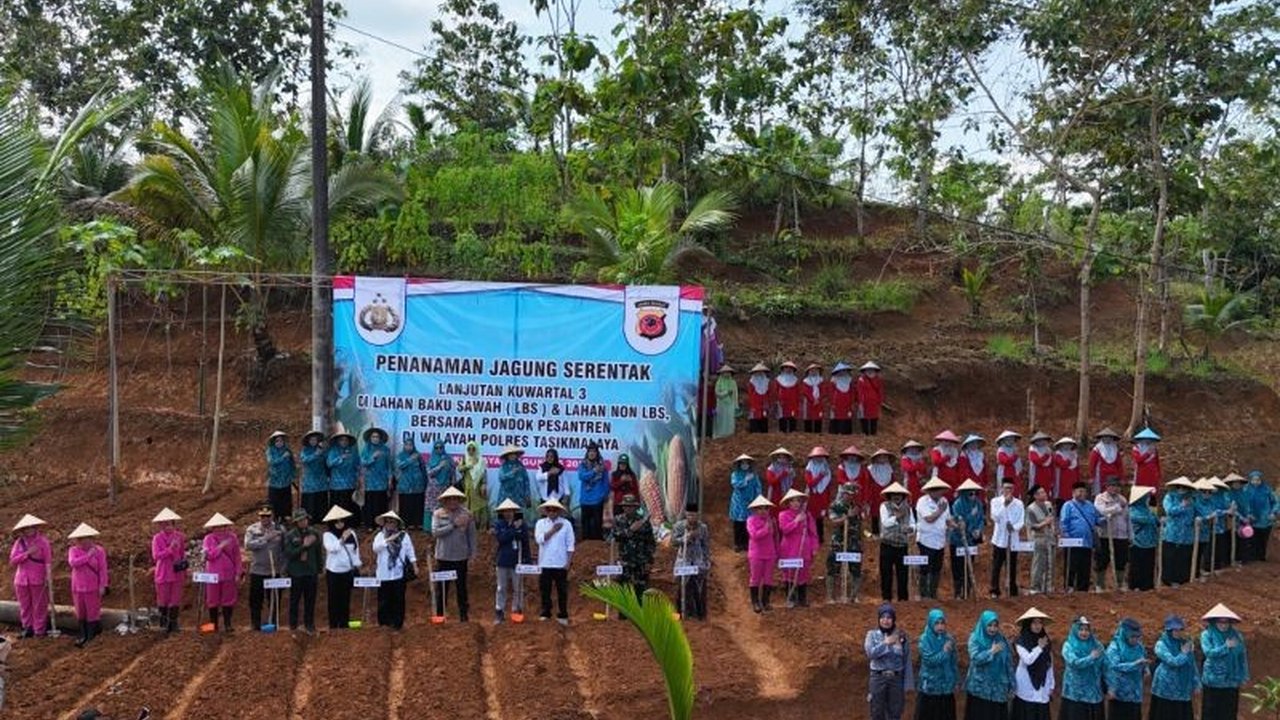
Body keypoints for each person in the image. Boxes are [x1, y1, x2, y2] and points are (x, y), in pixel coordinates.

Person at [432, 485, 476, 621]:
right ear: (445, 500)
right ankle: (440, 615)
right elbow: (435, 532)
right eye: (449, 499)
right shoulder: (438, 514)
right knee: (442, 588)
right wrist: (453, 525)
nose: (452, 502)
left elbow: (472, 536)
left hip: (461, 557)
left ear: (459, 500)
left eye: (455, 499)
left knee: (461, 587)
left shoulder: (467, 514)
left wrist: (473, 554)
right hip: (443, 556)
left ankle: (463, 615)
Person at [1199, 603, 1249, 720]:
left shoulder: (1236, 636)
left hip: (1232, 680)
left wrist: (1244, 676)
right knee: (1211, 711)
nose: (1223, 625)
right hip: (1213, 680)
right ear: (1214, 622)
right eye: (1220, 622)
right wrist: (1225, 647)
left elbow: (1242, 657)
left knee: (1229, 711)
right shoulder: (1207, 635)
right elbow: (1208, 653)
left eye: (1226, 622)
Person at [863, 603, 912, 720]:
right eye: (883, 617)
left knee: (895, 712)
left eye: (889, 617)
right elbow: (871, 653)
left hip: (896, 679)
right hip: (878, 678)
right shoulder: (872, 635)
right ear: (879, 619)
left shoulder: (901, 636)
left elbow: (906, 659)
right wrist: (885, 643)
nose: (886, 620)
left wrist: (908, 683)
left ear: (893, 619)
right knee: (877, 712)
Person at [964, 610, 1014, 720]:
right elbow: (975, 658)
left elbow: (1008, 663)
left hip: (999, 690)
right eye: (989, 625)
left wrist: (1012, 684)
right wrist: (991, 652)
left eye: (995, 626)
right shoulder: (975, 638)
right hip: (980, 690)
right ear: (983, 624)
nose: (993, 629)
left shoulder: (1001, 639)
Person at [372, 511, 417, 630]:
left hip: (398, 572)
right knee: (384, 600)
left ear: (397, 523)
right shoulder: (380, 536)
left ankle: (397, 623)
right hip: (383, 573)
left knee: (398, 599)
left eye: (392, 522)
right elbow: (375, 548)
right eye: (387, 522)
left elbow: (410, 551)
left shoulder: (404, 536)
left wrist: (415, 565)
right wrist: (388, 540)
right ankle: (384, 623)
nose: (390, 524)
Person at [8, 514, 51, 638]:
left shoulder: (43, 542)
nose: (29, 530)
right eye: (26, 528)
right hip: (21, 579)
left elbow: (48, 561)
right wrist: (27, 553)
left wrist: (48, 576)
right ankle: (27, 628)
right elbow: (13, 561)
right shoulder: (19, 543)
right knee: (25, 605)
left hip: (38, 578)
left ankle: (39, 630)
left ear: (35, 528)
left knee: (39, 605)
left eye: (31, 527)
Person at [244, 506, 286, 631]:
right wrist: (265, 539)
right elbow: (248, 545)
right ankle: (255, 624)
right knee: (256, 599)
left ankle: (273, 622)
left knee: (274, 598)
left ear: (272, 516)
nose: (265, 518)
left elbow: (285, 549)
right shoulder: (252, 529)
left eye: (268, 516)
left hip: (274, 570)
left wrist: (283, 567)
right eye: (262, 516)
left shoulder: (280, 529)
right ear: (259, 516)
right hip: (258, 570)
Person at [67, 523, 109, 648]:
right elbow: (73, 563)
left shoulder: (99, 551)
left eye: (85, 538)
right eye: (80, 539)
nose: (82, 542)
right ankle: (83, 635)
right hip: (77, 586)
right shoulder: (73, 550)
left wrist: (103, 585)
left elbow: (102, 569)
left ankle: (91, 636)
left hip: (92, 586)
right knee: (80, 611)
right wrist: (88, 556)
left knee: (92, 611)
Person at [1150, 615, 1199, 720]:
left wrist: (1196, 683)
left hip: (1183, 686)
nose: (1178, 632)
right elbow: (1172, 662)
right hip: (1166, 687)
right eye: (1175, 630)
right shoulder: (1161, 644)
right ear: (1169, 630)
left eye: (1180, 630)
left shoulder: (1185, 643)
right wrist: (1183, 653)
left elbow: (1192, 664)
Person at [535, 498, 575, 625]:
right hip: (545, 562)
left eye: (554, 510)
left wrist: (568, 563)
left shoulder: (566, 524)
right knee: (545, 590)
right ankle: (545, 612)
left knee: (562, 590)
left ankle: (563, 614)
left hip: (560, 563)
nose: (552, 512)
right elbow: (539, 539)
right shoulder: (540, 523)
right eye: (549, 510)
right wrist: (553, 530)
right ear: (546, 511)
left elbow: (570, 545)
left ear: (559, 511)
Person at [610, 494, 656, 602]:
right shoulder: (618, 520)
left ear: (636, 507)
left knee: (640, 590)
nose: (628, 508)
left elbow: (650, 542)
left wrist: (649, 561)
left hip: (640, 561)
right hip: (624, 560)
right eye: (626, 506)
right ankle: (623, 612)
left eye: (631, 506)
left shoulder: (643, 521)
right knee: (623, 590)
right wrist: (630, 530)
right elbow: (615, 536)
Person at [778, 488, 819, 608]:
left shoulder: (807, 515)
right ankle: (790, 598)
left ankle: (802, 599)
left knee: (803, 572)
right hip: (789, 548)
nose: (796, 503)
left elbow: (813, 532)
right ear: (788, 503)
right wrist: (796, 521)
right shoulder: (783, 515)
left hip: (804, 546)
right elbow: (785, 530)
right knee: (789, 572)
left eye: (798, 501)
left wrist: (814, 547)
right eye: (793, 501)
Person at [201, 512, 242, 633]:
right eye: (217, 527)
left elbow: (237, 556)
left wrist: (238, 572)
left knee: (228, 599)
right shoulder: (208, 539)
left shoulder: (232, 537)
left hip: (229, 573)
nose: (220, 529)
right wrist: (220, 547)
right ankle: (214, 625)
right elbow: (209, 556)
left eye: (222, 526)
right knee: (212, 599)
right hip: (213, 574)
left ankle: (228, 624)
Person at [321, 505, 360, 629]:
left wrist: (356, 565)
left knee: (345, 598)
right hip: (333, 571)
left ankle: (344, 624)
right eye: (336, 521)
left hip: (347, 570)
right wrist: (342, 538)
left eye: (342, 520)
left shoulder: (351, 533)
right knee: (333, 599)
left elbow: (355, 550)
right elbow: (333, 548)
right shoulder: (328, 535)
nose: (339, 523)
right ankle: (333, 624)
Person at [1011, 608, 1055, 720]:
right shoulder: (1020, 641)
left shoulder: (1045, 640)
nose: (1037, 626)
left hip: (1043, 685)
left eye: (1040, 622)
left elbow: (1049, 663)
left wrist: (1051, 684)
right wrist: (1039, 648)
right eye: (1034, 622)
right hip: (1026, 685)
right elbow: (1028, 660)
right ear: (1028, 624)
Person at [915, 608, 958, 720]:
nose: (940, 626)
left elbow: (953, 661)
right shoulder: (924, 640)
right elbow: (930, 661)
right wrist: (944, 652)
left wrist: (955, 680)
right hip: (930, 689)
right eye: (937, 623)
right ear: (931, 623)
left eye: (942, 623)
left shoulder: (949, 639)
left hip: (946, 688)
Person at [492, 498, 530, 624]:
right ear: (502, 512)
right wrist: (514, 529)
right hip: (502, 560)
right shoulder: (499, 524)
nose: (508, 513)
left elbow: (525, 541)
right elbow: (502, 538)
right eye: (505, 511)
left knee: (518, 587)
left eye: (510, 511)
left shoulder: (522, 524)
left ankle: (516, 609)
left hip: (517, 560)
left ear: (514, 511)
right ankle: (499, 611)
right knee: (501, 587)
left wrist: (527, 559)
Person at [284, 507, 321, 633]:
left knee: (310, 600)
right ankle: (293, 625)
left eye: (305, 519)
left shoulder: (314, 533)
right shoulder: (290, 535)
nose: (303, 522)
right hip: (296, 573)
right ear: (296, 522)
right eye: (300, 520)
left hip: (311, 571)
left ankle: (309, 624)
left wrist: (319, 569)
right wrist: (303, 547)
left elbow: (318, 552)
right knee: (294, 600)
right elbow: (289, 553)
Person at [1060, 616, 1105, 720]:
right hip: (1075, 694)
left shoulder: (1097, 645)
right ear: (1075, 630)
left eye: (1087, 630)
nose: (1084, 633)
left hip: (1093, 693)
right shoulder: (1069, 646)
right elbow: (1074, 663)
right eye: (1081, 629)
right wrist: (1090, 658)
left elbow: (1104, 664)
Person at [1059, 482, 1100, 593]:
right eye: (1080, 491)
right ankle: (1069, 586)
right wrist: (1066, 535)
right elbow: (1064, 522)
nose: (1082, 494)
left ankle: (1083, 588)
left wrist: (1107, 518)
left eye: (1084, 491)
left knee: (1085, 566)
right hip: (1072, 541)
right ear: (1073, 492)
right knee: (1071, 565)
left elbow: (1097, 519)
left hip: (1087, 542)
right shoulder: (1068, 505)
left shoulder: (1090, 505)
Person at [826, 483, 863, 603]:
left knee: (855, 569)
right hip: (838, 541)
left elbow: (860, 525)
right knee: (833, 568)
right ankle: (831, 596)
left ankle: (853, 596)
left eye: (853, 494)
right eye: (849, 494)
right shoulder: (835, 506)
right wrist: (847, 516)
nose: (851, 496)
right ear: (843, 493)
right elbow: (833, 522)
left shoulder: (857, 507)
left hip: (854, 542)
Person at [150, 508, 186, 633]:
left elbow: (182, 554)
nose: (167, 526)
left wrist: (184, 567)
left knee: (175, 598)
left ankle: (173, 623)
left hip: (177, 571)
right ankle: (163, 623)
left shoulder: (180, 536)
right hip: (163, 571)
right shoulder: (157, 538)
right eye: (164, 524)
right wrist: (170, 549)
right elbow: (156, 556)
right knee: (163, 598)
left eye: (169, 523)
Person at [948, 480, 985, 599]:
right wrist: (970, 515)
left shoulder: (978, 503)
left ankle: (967, 591)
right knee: (958, 567)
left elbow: (981, 519)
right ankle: (958, 592)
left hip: (972, 540)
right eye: (971, 494)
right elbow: (959, 521)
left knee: (969, 565)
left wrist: (978, 530)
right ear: (964, 493)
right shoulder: (957, 504)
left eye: (975, 493)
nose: (973, 496)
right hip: (958, 540)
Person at [672, 505, 711, 620]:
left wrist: (706, 560)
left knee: (698, 588)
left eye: (694, 515)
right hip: (683, 561)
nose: (691, 517)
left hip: (698, 562)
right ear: (685, 514)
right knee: (681, 588)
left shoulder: (703, 528)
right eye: (689, 515)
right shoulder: (679, 526)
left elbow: (705, 545)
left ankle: (699, 615)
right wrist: (685, 538)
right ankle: (678, 614)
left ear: (698, 515)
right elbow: (674, 542)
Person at [1104, 618, 1148, 720]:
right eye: (1132, 637)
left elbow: (1143, 659)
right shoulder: (1115, 647)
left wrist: (1146, 670)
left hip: (1135, 693)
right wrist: (1134, 664)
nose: (1135, 640)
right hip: (1119, 693)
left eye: (1137, 637)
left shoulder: (1139, 647)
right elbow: (1114, 666)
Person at [915, 478, 950, 600]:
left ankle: (933, 593)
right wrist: (940, 510)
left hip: (940, 540)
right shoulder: (922, 502)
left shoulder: (944, 501)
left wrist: (956, 525)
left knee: (936, 568)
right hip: (926, 540)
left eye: (939, 490)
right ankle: (923, 594)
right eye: (934, 490)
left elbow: (948, 519)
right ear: (929, 491)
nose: (937, 492)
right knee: (925, 568)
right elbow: (929, 519)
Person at [878, 482, 915, 602]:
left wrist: (911, 529)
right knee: (886, 572)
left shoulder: (908, 508)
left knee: (903, 573)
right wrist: (897, 516)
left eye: (899, 494)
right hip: (887, 543)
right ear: (890, 495)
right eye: (894, 494)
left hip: (902, 545)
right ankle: (886, 598)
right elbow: (886, 523)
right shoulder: (884, 506)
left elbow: (913, 523)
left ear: (903, 495)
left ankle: (903, 598)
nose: (897, 496)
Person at [989, 477, 1025, 598]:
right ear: (1002, 488)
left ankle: (1012, 589)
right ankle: (994, 590)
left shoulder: (1019, 503)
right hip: (999, 539)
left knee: (1012, 565)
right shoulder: (995, 501)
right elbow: (995, 517)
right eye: (1006, 488)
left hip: (1012, 538)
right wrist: (1005, 504)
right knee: (996, 565)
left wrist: (1014, 527)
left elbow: (1021, 521)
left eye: (1010, 488)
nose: (1008, 490)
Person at [1094, 476, 1131, 591]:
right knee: (1102, 560)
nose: (1115, 488)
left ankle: (1120, 583)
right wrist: (1117, 508)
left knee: (1121, 560)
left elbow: (1127, 518)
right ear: (1107, 487)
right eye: (1113, 486)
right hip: (1106, 535)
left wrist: (1130, 535)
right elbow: (1102, 511)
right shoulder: (1100, 498)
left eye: (1117, 486)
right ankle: (1099, 584)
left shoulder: (1123, 499)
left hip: (1121, 535)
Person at [1160, 477, 1198, 585]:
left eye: (1184, 487)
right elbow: (1169, 511)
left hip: (1187, 534)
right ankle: (1168, 580)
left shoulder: (1192, 499)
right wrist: (1181, 506)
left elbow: (1197, 512)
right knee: (1170, 557)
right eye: (1180, 487)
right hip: (1172, 533)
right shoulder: (1169, 497)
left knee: (1184, 557)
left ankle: (1182, 580)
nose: (1182, 489)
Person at [746, 495, 778, 612]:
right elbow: (754, 535)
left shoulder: (772, 520)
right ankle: (755, 602)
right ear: (755, 510)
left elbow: (776, 537)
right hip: (756, 553)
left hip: (770, 553)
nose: (763, 511)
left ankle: (766, 601)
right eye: (760, 508)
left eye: (765, 508)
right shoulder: (751, 520)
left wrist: (777, 551)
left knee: (768, 578)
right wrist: (765, 529)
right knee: (755, 578)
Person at [1025, 485, 1055, 594]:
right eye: (1041, 493)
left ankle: (1048, 587)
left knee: (1050, 563)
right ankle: (1035, 587)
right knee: (1038, 564)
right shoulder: (1031, 509)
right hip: (1038, 539)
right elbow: (1032, 526)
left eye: (1044, 492)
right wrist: (1045, 523)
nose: (1044, 494)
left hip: (1050, 538)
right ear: (1035, 496)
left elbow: (1052, 518)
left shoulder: (1048, 505)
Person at [1128, 485, 1158, 591]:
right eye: (1146, 497)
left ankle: (1147, 585)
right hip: (1138, 542)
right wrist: (1152, 517)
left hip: (1150, 542)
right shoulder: (1132, 511)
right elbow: (1146, 520)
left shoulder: (1148, 510)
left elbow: (1156, 521)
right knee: (1137, 565)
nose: (1148, 499)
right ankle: (1135, 585)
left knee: (1148, 564)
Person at [577, 442, 609, 541]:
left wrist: (603, 495)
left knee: (597, 525)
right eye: (590, 451)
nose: (592, 453)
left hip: (597, 500)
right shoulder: (583, 465)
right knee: (585, 526)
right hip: (585, 500)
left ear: (597, 453)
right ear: (587, 453)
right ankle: (586, 546)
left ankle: (597, 545)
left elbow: (606, 482)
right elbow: (582, 476)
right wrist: (594, 471)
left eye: (594, 451)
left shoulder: (602, 466)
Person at [729, 454, 761, 552]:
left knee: (749, 522)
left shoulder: (754, 475)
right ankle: (738, 544)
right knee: (738, 523)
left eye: (746, 463)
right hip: (738, 502)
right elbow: (735, 484)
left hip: (750, 501)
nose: (745, 464)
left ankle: (747, 543)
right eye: (743, 463)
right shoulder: (735, 474)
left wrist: (757, 498)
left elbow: (758, 487)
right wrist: (745, 480)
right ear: (739, 464)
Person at [395, 436, 427, 531]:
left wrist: (424, 482)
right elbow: (400, 465)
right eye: (407, 445)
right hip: (405, 485)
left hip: (417, 485)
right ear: (404, 446)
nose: (409, 447)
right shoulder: (400, 456)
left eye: (411, 445)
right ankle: (405, 523)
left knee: (416, 503)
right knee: (405, 504)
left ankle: (416, 523)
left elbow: (423, 469)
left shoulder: (418, 455)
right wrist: (411, 459)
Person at [1244, 470, 1275, 562]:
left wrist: (1273, 512)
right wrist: (1248, 514)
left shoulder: (1267, 490)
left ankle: (1262, 556)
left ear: (1261, 480)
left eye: (1258, 480)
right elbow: (1244, 504)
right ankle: (1253, 557)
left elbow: (1275, 502)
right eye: (1253, 480)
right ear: (1250, 480)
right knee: (1252, 538)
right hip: (1252, 519)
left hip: (1266, 519)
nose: (1256, 482)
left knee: (1263, 539)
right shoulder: (1246, 490)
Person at [298, 431, 329, 524]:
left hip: (321, 480)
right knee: (310, 500)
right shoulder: (305, 450)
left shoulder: (322, 450)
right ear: (308, 441)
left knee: (321, 499)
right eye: (311, 440)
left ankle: (321, 518)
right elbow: (304, 460)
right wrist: (315, 454)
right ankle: (310, 519)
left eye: (315, 440)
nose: (313, 441)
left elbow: (327, 462)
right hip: (309, 480)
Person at [804, 446, 834, 542]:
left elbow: (828, 486)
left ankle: (820, 538)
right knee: (811, 517)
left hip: (823, 497)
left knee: (820, 519)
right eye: (817, 457)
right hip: (813, 496)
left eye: (821, 457)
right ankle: (811, 537)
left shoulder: (826, 469)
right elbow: (810, 483)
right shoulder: (809, 469)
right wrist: (820, 476)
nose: (819, 459)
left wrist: (827, 501)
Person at [265, 430, 296, 521]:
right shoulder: (270, 451)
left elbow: (292, 464)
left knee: (285, 500)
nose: (279, 443)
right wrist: (282, 457)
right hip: (274, 481)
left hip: (286, 480)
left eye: (281, 441)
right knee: (275, 500)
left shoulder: (287, 450)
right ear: (274, 442)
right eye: (277, 441)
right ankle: (275, 517)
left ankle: (285, 517)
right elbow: (271, 462)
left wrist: (293, 475)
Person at [326, 431, 359, 517]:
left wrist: (358, 479)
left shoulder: (352, 452)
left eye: (346, 440)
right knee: (338, 507)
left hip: (350, 484)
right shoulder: (333, 451)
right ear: (338, 441)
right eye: (341, 440)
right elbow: (329, 463)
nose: (344, 442)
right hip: (337, 485)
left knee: (350, 506)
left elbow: (357, 465)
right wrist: (341, 458)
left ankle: (350, 522)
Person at [836, 446, 870, 527]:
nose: (852, 458)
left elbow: (865, 483)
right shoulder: (842, 467)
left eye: (854, 456)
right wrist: (849, 483)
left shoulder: (862, 468)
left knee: (856, 516)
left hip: (858, 495)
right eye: (850, 456)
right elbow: (839, 479)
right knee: (842, 514)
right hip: (844, 494)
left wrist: (865, 499)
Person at [459, 441, 489, 532]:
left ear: (476, 449)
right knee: (469, 505)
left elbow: (484, 473)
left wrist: (484, 484)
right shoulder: (464, 458)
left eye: (473, 449)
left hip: (479, 487)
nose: (471, 451)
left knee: (480, 505)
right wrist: (468, 466)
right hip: (468, 486)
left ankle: (481, 527)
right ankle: (470, 527)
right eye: (469, 449)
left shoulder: (481, 460)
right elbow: (459, 469)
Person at [497, 445, 533, 523]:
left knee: (518, 519)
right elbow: (501, 478)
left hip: (518, 496)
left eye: (514, 454)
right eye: (510, 454)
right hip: (505, 496)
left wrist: (527, 495)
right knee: (503, 518)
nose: (512, 456)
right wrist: (512, 472)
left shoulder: (521, 466)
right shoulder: (504, 466)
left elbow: (526, 481)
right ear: (507, 455)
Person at [1088, 428, 1124, 495]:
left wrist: (1121, 477)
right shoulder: (1097, 449)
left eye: (1109, 437)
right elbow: (1092, 464)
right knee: (1101, 493)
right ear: (1102, 438)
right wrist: (1091, 477)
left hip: (1113, 474)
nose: (1107, 439)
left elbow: (1119, 464)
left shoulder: (1115, 449)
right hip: (1101, 474)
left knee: (1113, 492)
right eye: (1105, 437)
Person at [425, 439, 457, 515]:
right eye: (436, 448)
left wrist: (453, 483)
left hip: (445, 487)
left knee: (445, 508)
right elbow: (429, 473)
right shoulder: (431, 459)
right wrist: (440, 466)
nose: (439, 449)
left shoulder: (448, 458)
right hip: (434, 488)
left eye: (441, 447)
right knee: (433, 509)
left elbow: (453, 472)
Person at [1224, 473, 1249, 565]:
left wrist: (1248, 516)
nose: (1236, 485)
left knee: (1243, 540)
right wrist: (1241, 518)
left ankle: (1241, 559)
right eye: (1234, 483)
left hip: (1244, 521)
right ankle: (1230, 560)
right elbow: (1230, 508)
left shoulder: (1244, 493)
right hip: (1232, 521)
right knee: (1230, 540)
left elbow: (1247, 506)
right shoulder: (1227, 494)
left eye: (1238, 483)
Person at [535, 448, 569, 512]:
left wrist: (567, 495)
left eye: (551, 456)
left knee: (558, 516)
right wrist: (549, 473)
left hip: (558, 498)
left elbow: (565, 483)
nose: (549, 458)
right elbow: (538, 478)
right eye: (547, 456)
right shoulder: (542, 467)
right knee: (545, 517)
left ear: (555, 457)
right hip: (545, 498)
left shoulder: (561, 468)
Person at [856, 361, 884, 436]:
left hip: (874, 402)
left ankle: (873, 433)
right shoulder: (861, 380)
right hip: (864, 402)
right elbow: (859, 391)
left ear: (875, 371)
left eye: (872, 370)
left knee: (874, 418)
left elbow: (880, 391)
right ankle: (865, 433)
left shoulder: (878, 380)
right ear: (865, 371)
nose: (870, 371)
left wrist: (880, 401)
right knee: (864, 417)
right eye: (868, 370)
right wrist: (860, 402)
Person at [1052, 437, 1081, 509]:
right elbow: (1063, 464)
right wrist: (1069, 460)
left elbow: (1077, 468)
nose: (1067, 446)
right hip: (1062, 480)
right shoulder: (1057, 455)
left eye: (1069, 444)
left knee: (1073, 495)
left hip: (1073, 479)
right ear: (1060, 445)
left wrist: (1078, 480)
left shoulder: (1075, 455)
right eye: (1064, 444)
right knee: (1062, 496)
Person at [1132, 428, 1162, 494]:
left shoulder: (1154, 448)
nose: (1148, 441)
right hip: (1141, 472)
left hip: (1152, 473)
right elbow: (1138, 460)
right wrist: (1147, 453)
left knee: (1152, 490)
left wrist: (1158, 473)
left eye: (1150, 440)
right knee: (1141, 490)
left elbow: (1157, 462)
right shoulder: (1136, 448)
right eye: (1146, 439)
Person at [828, 362, 856, 435]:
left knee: (847, 417)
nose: (843, 372)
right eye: (841, 370)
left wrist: (852, 402)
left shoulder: (850, 380)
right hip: (836, 402)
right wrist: (832, 403)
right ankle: (834, 432)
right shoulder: (833, 380)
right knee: (836, 416)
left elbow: (852, 392)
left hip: (847, 402)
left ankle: (846, 432)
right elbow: (831, 393)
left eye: (844, 370)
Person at [773, 360, 801, 433]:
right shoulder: (778, 379)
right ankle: (782, 431)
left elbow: (798, 391)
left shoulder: (796, 380)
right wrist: (777, 399)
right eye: (786, 367)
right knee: (782, 416)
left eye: (790, 368)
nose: (788, 369)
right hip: (782, 400)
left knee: (792, 415)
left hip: (793, 401)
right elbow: (775, 390)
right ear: (783, 369)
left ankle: (792, 430)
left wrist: (798, 400)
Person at [712, 364, 739, 439]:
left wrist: (736, 405)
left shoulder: (733, 382)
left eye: (728, 372)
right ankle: (720, 434)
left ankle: (729, 433)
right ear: (722, 373)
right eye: (725, 372)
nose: (727, 374)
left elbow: (735, 394)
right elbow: (717, 393)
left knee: (730, 419)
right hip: (721, 404)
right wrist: (726, 392)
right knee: (721, 419)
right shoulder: (719, 382)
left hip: (731, 403)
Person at [1026, 432, 1054, 500]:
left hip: (1047, 474)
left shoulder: (1048, 450)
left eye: (1043, 440)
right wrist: (1046, 456)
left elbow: (1052, 464)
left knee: (1046, 490)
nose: (1041, 442)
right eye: (1039, 440)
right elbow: (1037, 461)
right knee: (1036, 490)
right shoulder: (1033, 450)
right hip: (1037, 473)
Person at [995, 430, 1024, 496]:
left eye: (1012, 439)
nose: (1010, 441)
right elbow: (1006, 461)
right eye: (1008, 439)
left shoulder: (1014, 449)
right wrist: (1015, 456)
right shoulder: (1001, 450)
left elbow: (1019, 464)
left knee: (1015, 489)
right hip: (1005, 472)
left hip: (1014, 473)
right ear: (1003, 440)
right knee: (1005, 489)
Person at [746, 363, 772, 434]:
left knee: (764, 417)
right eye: (758, 372)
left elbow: (769, 393)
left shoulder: (767, 381)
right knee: (754, 417)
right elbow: (750, 394)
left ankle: (763, 434)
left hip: (764, 402)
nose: (760, 373)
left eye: (761, 371)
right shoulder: (751, 382)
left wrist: (768, 402)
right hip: (755, 402)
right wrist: (751, 403)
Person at [800, 363, 826, 433]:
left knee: (818, 417)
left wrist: (818, 399)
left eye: (815, 370)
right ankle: (808, 433)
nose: (814, 372)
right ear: (809, 372)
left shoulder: (821, 380)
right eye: (812, 370)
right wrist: (812, 399)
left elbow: (823, 391)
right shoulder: (805, 381)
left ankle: (818, 433)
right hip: (808, 402)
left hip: (819, 402)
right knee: (808, 417)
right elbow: (805, 392)